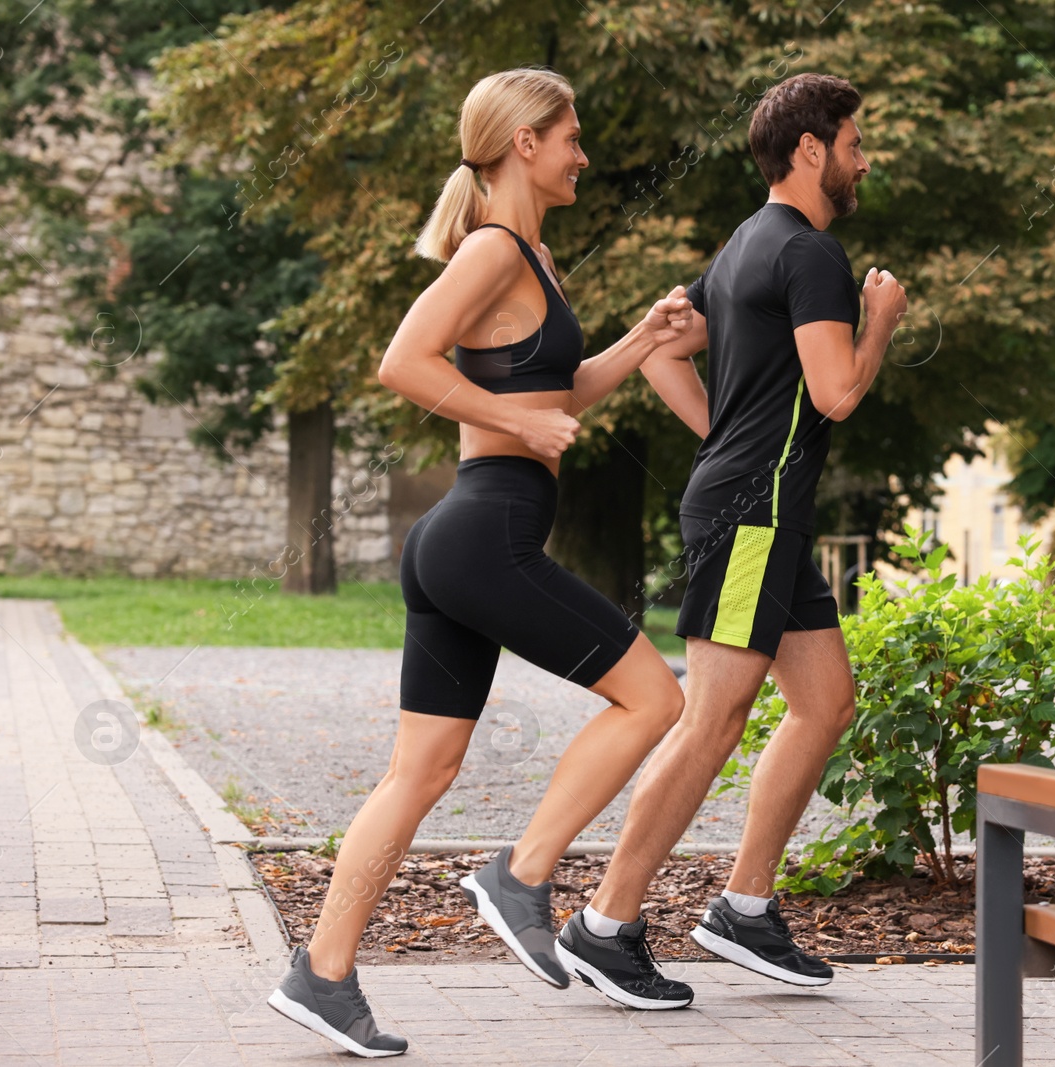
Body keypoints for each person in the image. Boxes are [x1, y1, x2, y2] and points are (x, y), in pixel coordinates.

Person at [266, 67, 695, 1057]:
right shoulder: (493, 249)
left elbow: (562, 388)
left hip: (464, 541)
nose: (585, 152)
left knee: (420, 769)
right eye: (572, 135)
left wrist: (643, 336)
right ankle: (523, 871)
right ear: (525, 144)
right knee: (654, 698)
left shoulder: (532, 256)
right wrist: (514, 420)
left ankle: (322, 973)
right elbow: (402, 361)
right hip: (482, 536)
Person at [553, 72, 908, 1010]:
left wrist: (720, 438)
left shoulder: (745, 242)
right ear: (809, 150)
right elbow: (835, 391)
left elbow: (669, 351)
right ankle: (605, 923)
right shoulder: (814, 253)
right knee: (711, 718)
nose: (863, 158)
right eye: (855, 141)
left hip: (761, 511)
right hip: (753, 514)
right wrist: (878, 324)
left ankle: (745, 905)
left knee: (825, 701)